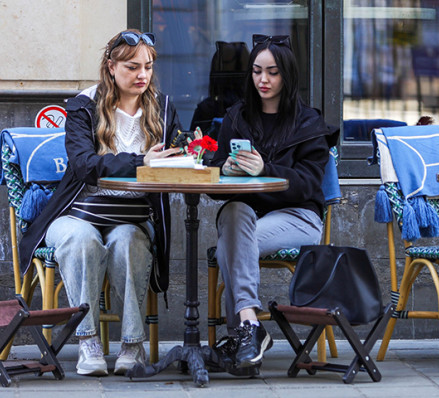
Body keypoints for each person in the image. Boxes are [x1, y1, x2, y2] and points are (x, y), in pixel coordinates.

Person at [18, 29, 186, 376]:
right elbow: (83, 165)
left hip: (132, 217)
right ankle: (89, 341)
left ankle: (131, 344)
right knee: (82, 240)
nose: (142, 75)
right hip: (77, 212)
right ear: (111, 67)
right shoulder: (83, 107)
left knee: (127, 243)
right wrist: (141, 162)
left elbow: (176, 160)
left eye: (148, 67)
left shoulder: (164, 109)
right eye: (132, 67)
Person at [209, 34, 339, 369]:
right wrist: (223, 168)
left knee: (229, 247)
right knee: (234, 213)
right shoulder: (237, 118)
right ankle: (251, 324)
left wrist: (265, 170)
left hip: (298, 217)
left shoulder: (309, 122)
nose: (263, 80)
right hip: (246, 213)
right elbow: (213, 185)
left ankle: (242, 330)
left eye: (272, 72)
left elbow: (308, 184)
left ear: (288, 75)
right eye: (256, 71)